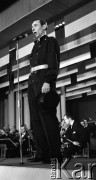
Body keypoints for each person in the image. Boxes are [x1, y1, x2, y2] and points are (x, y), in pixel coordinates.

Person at [27, 19, 61, 163]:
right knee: (35, 120)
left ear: (44, 26)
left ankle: (55, 154)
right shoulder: (34, 46)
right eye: (32, 26)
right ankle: (42, 153)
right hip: (33, 82)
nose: (33, 28)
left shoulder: (51, 41)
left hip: (43, 81)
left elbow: (53, 62)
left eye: (35, 25)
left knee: (47, 119)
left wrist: (48, 80)